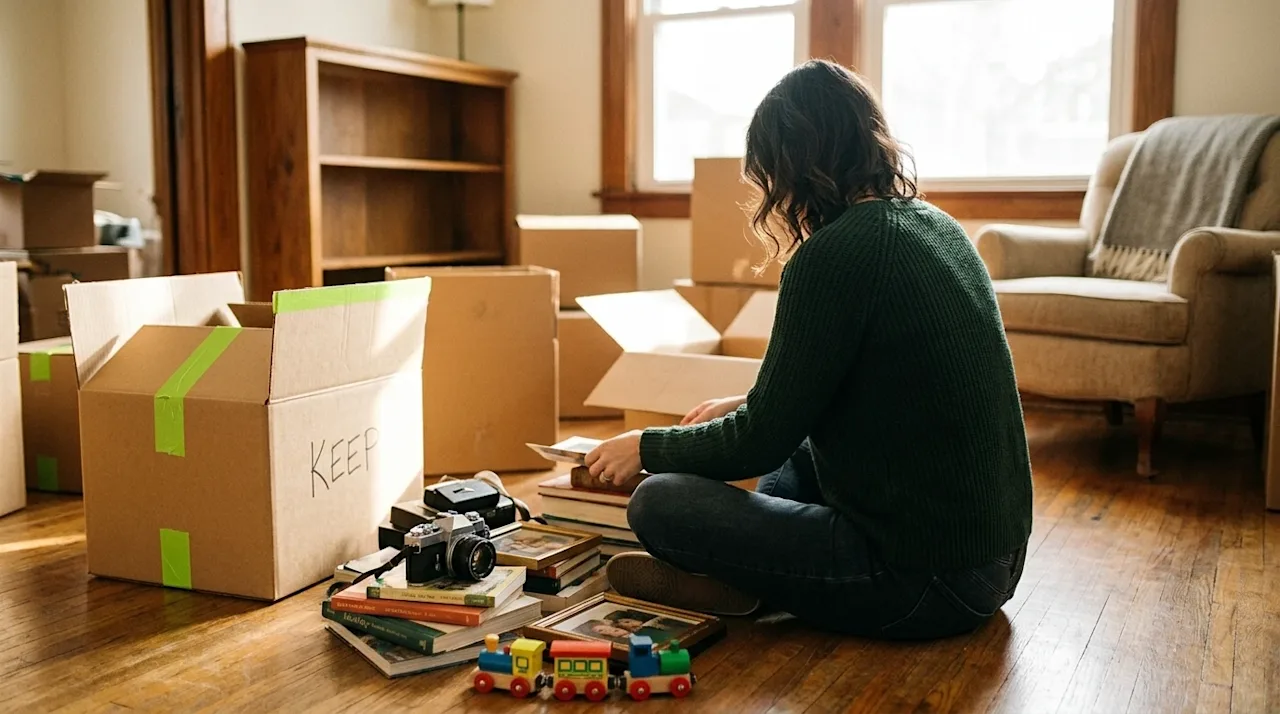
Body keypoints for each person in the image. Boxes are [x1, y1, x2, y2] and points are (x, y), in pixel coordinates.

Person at [585, 60, 1033, 641]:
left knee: (660, 501)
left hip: (920, 583)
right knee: (797, 448)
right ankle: (752, 579)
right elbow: (860, 392)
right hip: (996, 565)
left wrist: (643, 446)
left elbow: (757, 441)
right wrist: (746, 403)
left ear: (791, 164)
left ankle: (749, 580)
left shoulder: (832, 255)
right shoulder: (938, 226)